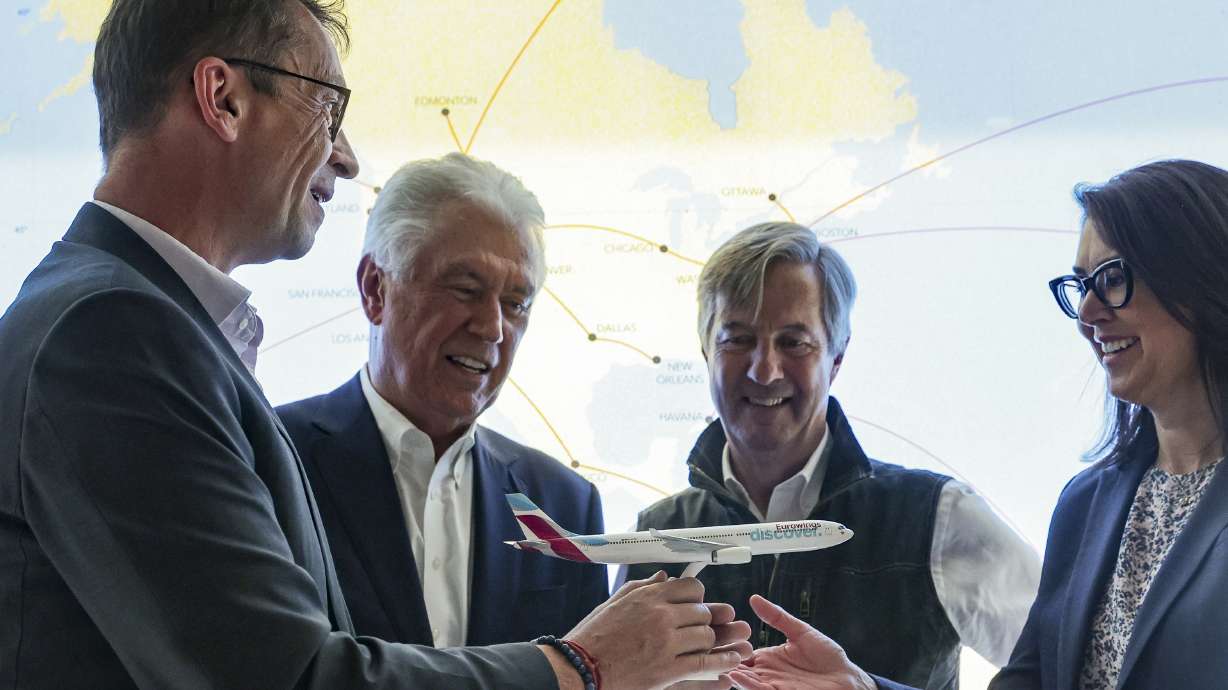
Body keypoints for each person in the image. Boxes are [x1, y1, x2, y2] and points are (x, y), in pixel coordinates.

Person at [0, 1, 749, 688]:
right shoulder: (110, 335)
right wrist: (580, 666)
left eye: (515, 302)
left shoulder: (124, 318)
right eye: (327, 107)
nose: (346, 156)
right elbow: (289, 679)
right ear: (223, 99)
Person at [723, 159, 1228, 690]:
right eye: (1082, 285)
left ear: (1202, 274)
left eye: (1114, 277)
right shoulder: (1087, 505)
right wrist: (864, 688)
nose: (1088, 314)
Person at [625, 222, 1040, 689]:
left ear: (837, 356)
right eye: (737, 339)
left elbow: (1069, 672)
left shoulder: (938, 518)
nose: (764, 370)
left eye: (793, 341)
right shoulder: (654, 538)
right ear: (706, 350)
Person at [276, 153, 607, 647]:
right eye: (466, 289)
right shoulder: (276, 457)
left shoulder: (564, 505)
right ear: (375, 289)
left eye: (516, 304)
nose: (493, 327)